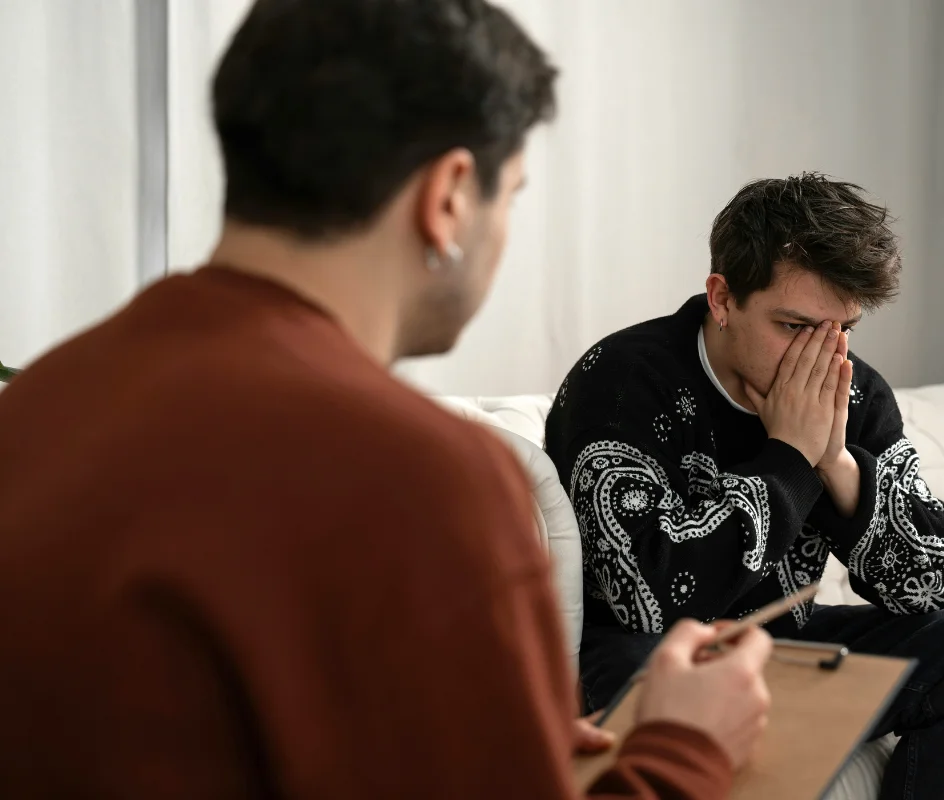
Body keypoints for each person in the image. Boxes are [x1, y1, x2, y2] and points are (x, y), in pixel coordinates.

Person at [0, 1, 774, 797]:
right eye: (510, 195)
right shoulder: (431, 481)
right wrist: (683, 746)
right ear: (447, 198)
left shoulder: (35, 407)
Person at [544, 174, 944, 799]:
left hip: (790, 646)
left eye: (843, 329)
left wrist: (837, 464)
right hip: (662, 660)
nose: (822, 359)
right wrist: (791, 459)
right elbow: (647, 598)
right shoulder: (619, 381)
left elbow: (930, 582)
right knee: (643, 671)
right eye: (795, 326)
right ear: (722, 299)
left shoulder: (854, 389)